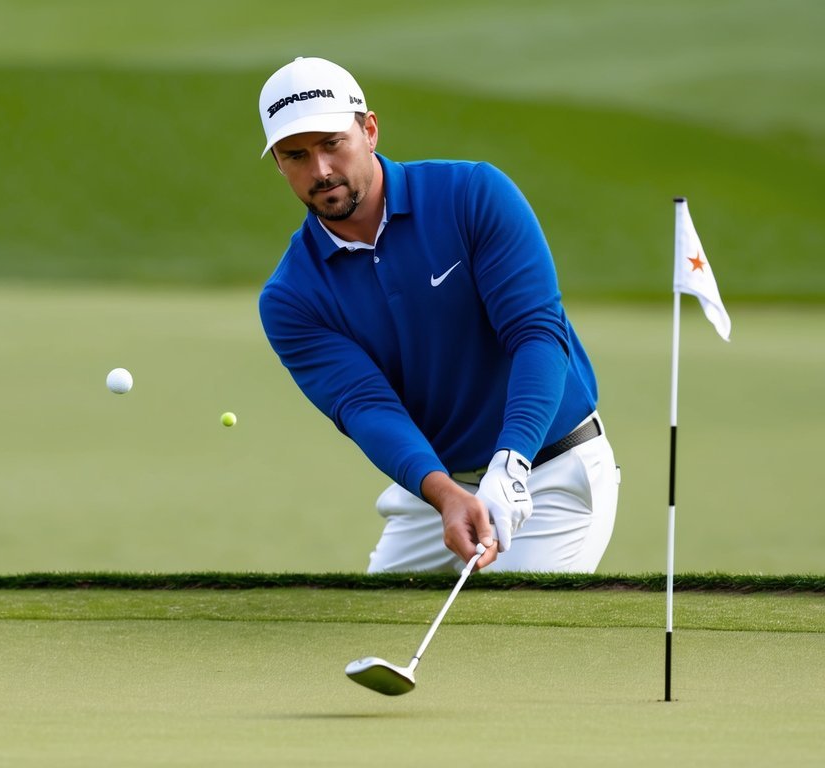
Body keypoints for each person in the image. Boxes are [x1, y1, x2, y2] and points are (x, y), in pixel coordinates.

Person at [256, 57, 620, 573]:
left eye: (333, 144)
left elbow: (537, 334)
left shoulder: (472, 196)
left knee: (514, 639)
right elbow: (367, 407)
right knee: (372, 630)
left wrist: (512, 460)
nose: (320, 171)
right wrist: (444, 494)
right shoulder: (292, 296)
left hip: (548, 469)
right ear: (278, 163)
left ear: (370, 130)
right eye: (296, 155)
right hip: (438, 489)